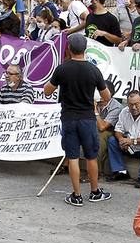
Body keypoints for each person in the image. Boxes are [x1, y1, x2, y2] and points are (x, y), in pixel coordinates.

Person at [45, 33, 113, 206]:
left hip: (69, 118)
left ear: (69, 48)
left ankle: (76, 195)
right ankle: (95, 192)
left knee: (73, 156)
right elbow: (107, 95)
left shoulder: (62, 69)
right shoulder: (93, 70)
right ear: (85, 50)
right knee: (91, 156)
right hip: (88, 118)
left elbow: (47, 90)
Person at [107, 91, 140, 183]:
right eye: (131, 104)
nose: (133, 107)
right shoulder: (124, 112)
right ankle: (120, 171)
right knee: (112, 140)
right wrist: (121, 140)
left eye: (136, 104)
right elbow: (118, 130)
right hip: (128, 148)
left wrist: (132, 141)